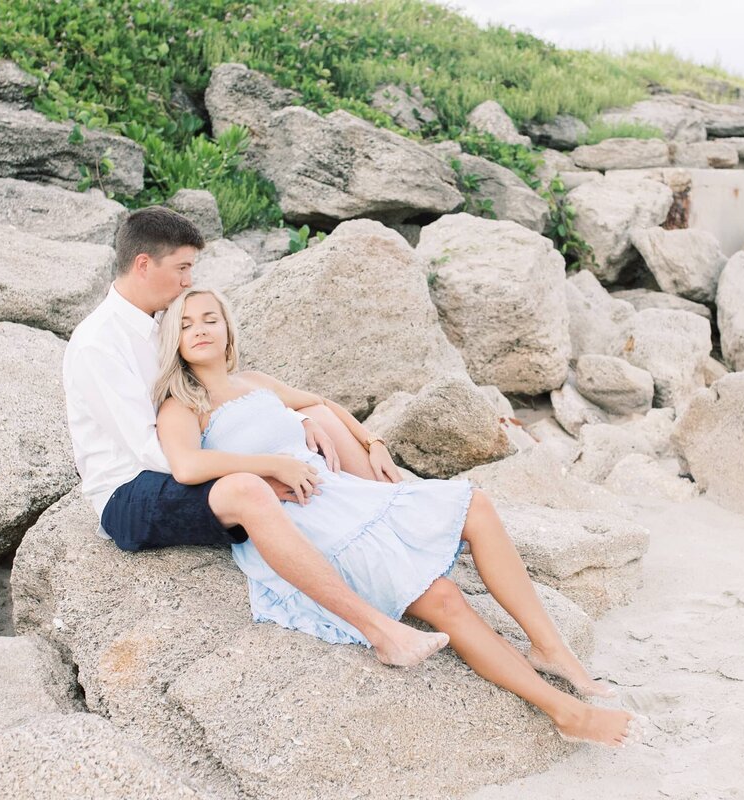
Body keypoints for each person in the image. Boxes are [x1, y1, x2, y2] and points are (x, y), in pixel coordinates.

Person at [153, 286, 640, 747]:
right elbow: (188, 466)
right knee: (443, 599)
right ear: (175, 339)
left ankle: (549, 646)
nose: (200, 329)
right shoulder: (184, 405)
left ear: (227, 331)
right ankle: (568, 714)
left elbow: (321, 404)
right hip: (303, 522)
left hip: (339, 493)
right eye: (187, 323)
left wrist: (373, 441)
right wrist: (271, 464)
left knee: (475, 503)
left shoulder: (254, 383)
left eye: (210, 319)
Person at [62, 206, 448, 668]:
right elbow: (155, 453)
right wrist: (262, 466)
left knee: (316, 418)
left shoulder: (160, 322)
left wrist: (292, 425)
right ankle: (381, 630)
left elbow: (226, 393)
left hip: (182, 460)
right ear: (144, 264)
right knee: (252, 488)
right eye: (182, 268)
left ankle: (400, 526)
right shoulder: (99, 343)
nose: (188, 281)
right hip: (131, 491)